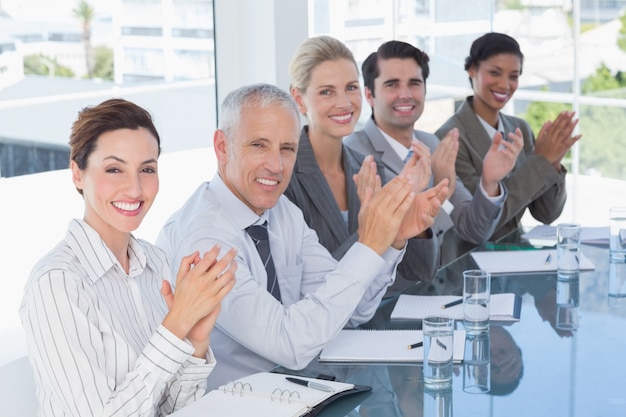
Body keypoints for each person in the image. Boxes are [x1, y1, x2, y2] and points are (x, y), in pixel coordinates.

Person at [157, 83, 447, 388]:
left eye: (287, 148)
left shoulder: (281, 211)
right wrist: (370, 242)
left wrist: (392, 240)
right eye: (258, 145)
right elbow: (290, 345)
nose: (276, 166)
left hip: (291, 394)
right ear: (221, 146)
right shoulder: (205, 240)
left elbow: (353, 308)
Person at [19, 99, 237, 417]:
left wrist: (194, 341)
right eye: (114, 169)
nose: (134, 188)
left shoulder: (155, 263)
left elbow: (172, 410)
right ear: (77, 174)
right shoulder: (57, 284)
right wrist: (175, 326)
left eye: (146, 169)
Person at [284, 35, 448, 295]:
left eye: (350, 87)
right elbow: (310, 287)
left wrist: (410, 198)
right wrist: (371, 230)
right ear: (299, 99)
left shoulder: (368, 167)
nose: (344, 102)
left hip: (371, 326)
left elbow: (420, 271)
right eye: (327, 91)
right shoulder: (286, 178)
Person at [345, 39, 523, 277]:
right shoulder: (355, 154)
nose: (406, 94)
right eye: (392, 85)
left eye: (415, 83)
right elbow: (391, 255)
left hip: (445, 293)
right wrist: (438, 197)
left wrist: (489, 183)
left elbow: (473, 230)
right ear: (369, 95)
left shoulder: (430, 143)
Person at [435, 32, 581, 240]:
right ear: (472, 69)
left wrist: (553, 163)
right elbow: (484, 223)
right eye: (495, 73)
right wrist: (540, 163)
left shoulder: (519, 128)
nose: (505, 85)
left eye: (513, 76)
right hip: (468, 261)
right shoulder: (448, 139)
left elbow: (546, 214)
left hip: (515, 253)